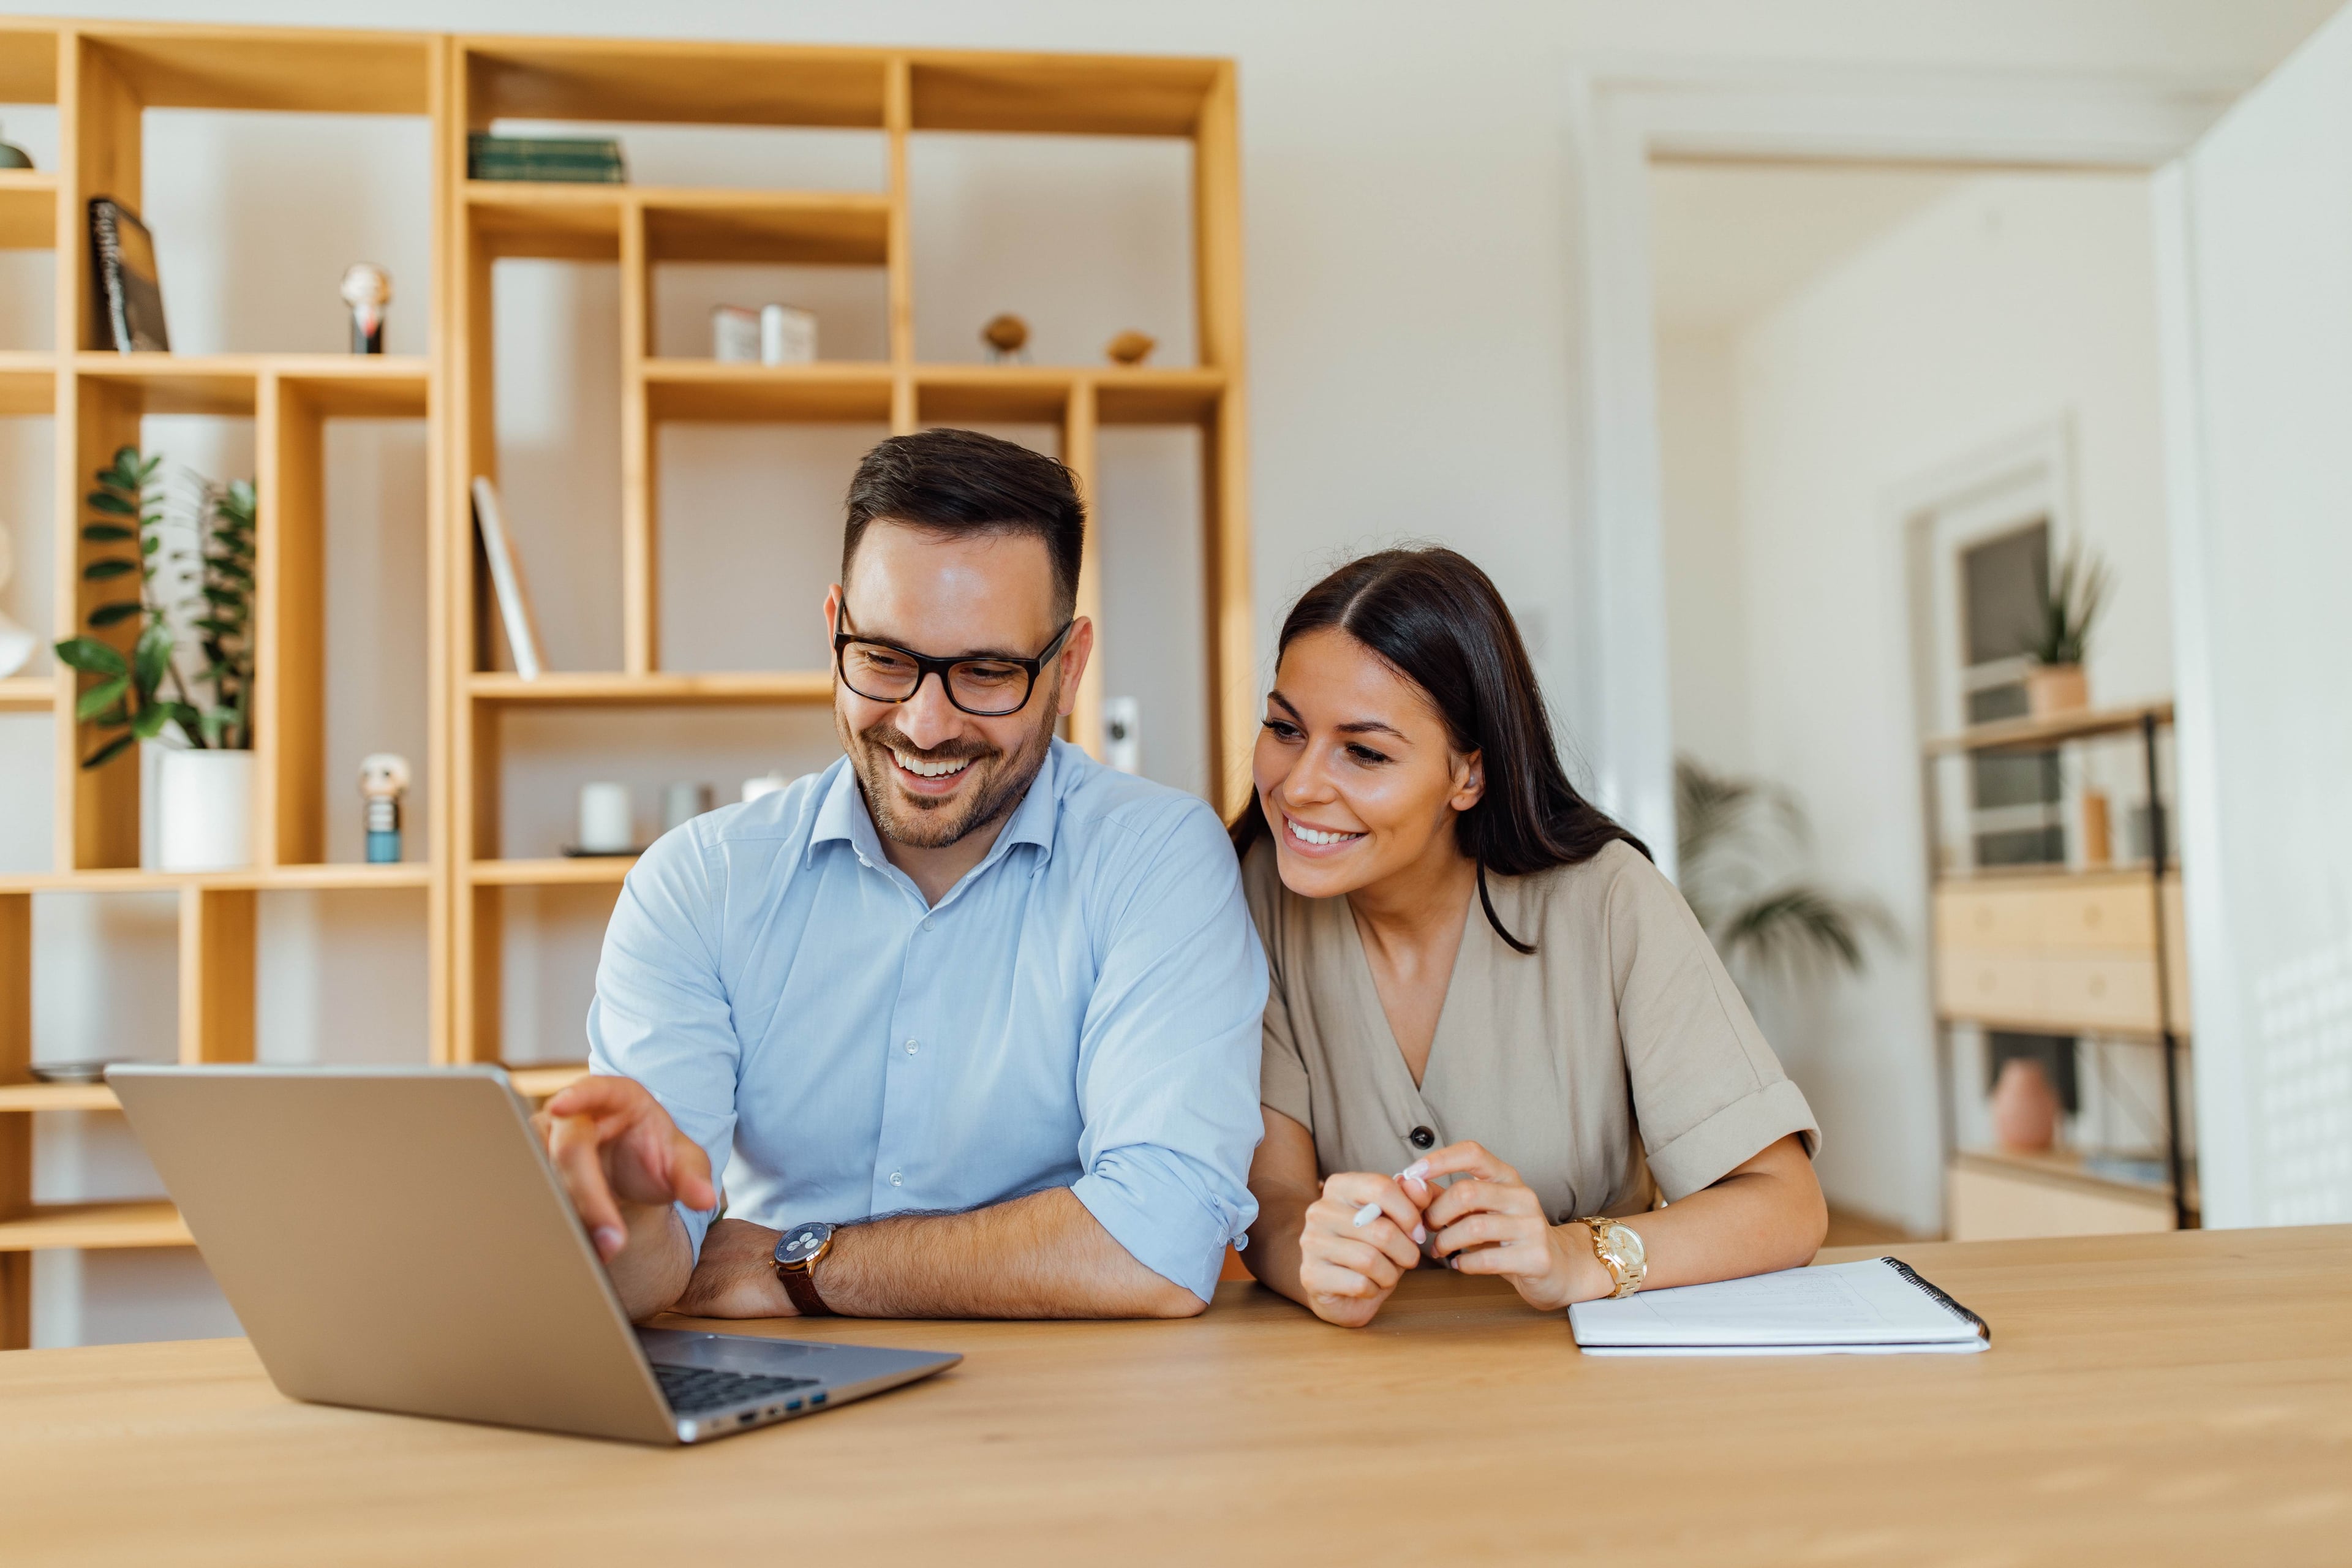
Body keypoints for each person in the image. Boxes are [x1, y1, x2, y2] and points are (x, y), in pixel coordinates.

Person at [538, 428, 1266, 1322]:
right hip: (776, 1406)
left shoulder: (1157, 861)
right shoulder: (698, 884)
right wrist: (627, 1216)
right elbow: (654, 1279)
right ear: (834, 629)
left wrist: (800, 1266)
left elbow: (1161, 1245)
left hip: (1065, 1416)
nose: (924, 724)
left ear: (1067, 669)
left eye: (988, 672)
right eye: (884, 659)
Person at [1235, 548, 1825, 1328]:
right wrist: (1311, 1266)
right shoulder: (1251, 898)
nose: (1301, 784)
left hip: (1590, 1396)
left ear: (1467, 775)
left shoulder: (1611, 901)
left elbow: (1785, 1205)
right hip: (1360, 1396)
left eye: (1365, 751)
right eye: (1285, 728)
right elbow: (1274, 1201)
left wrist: (1579, 1257)